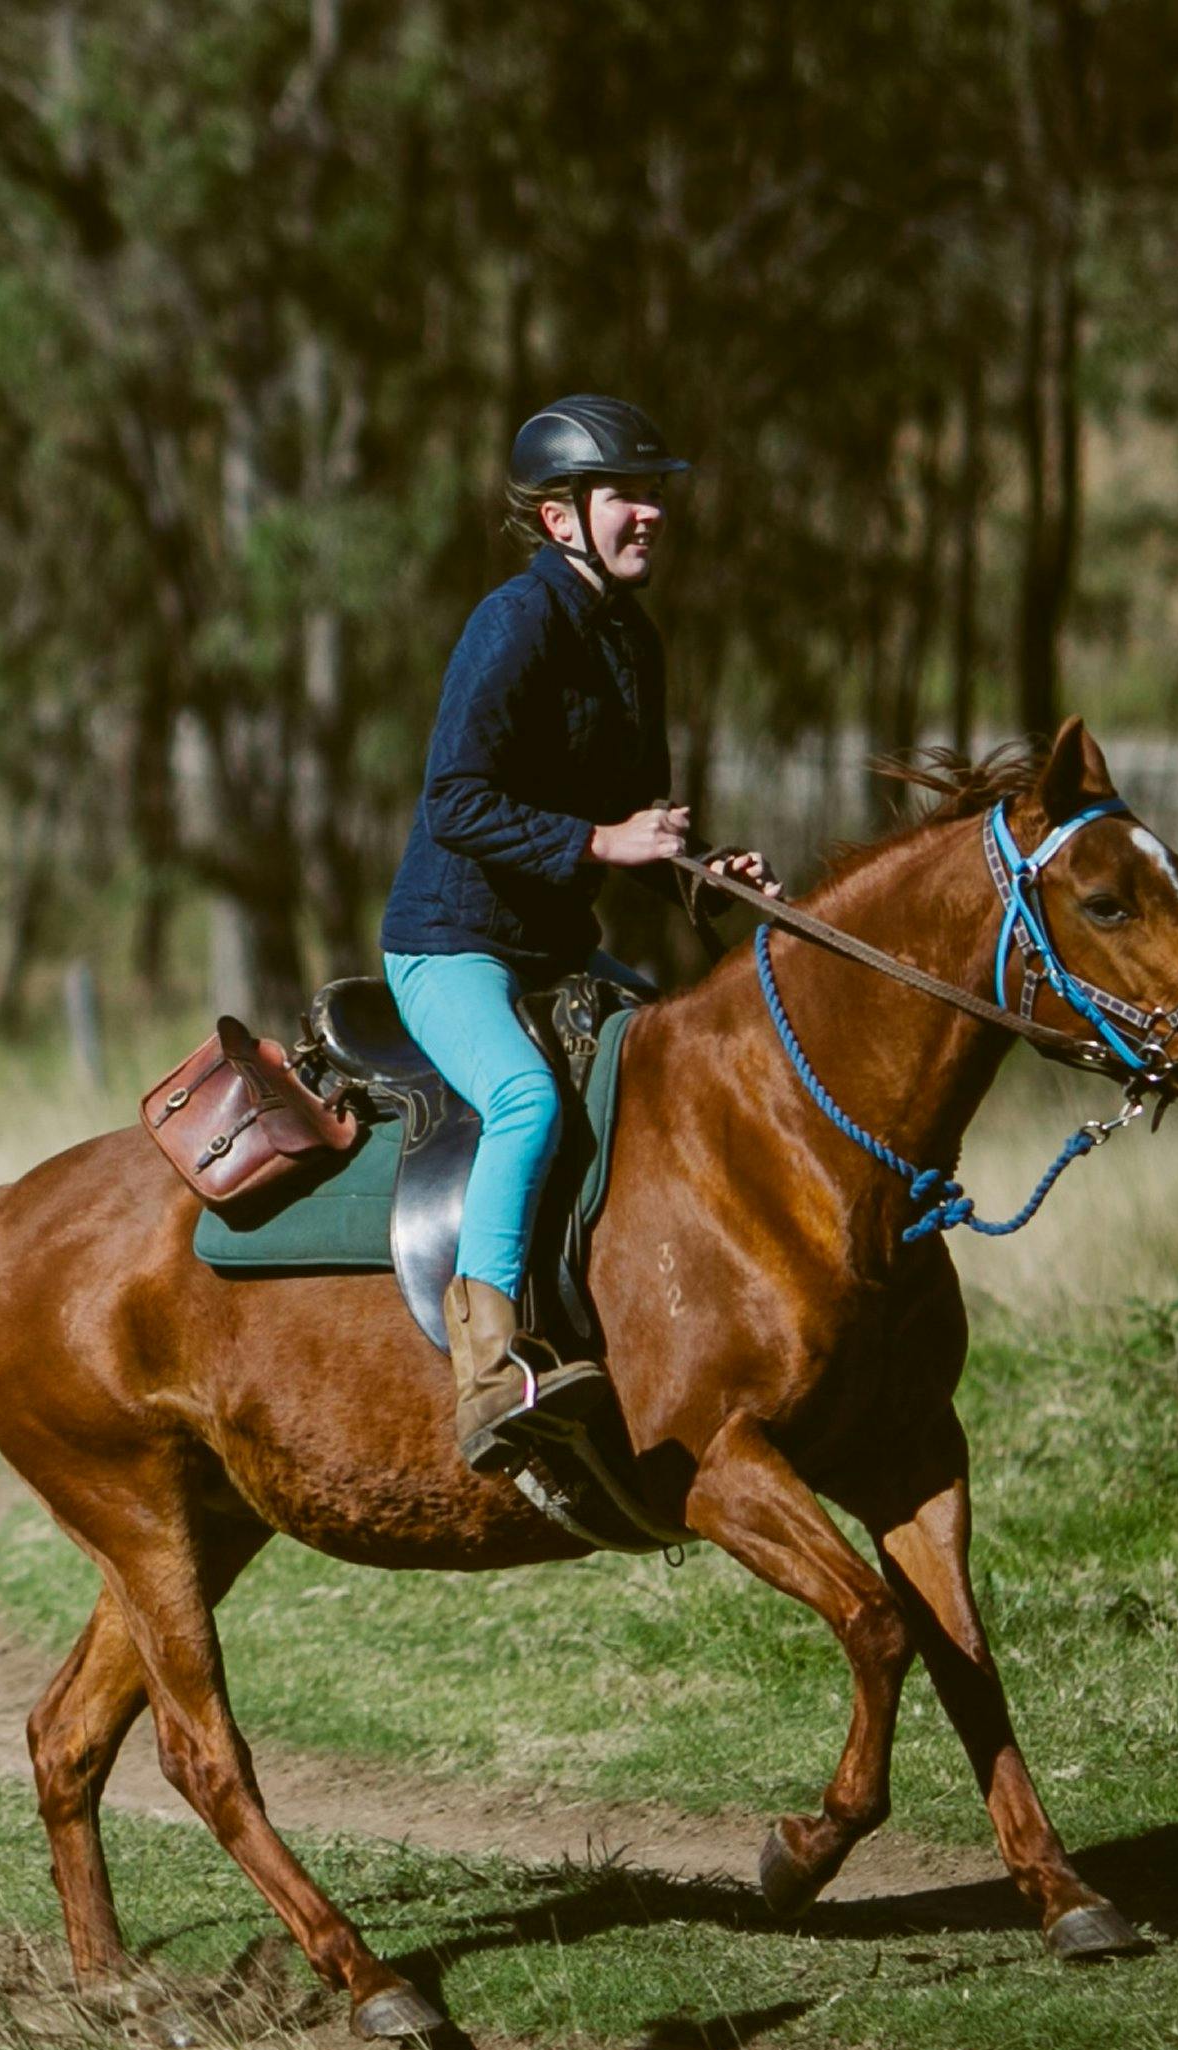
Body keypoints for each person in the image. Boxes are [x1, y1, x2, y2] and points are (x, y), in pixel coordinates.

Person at [380, 395, 770, 1475]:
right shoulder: (513, 622)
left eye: (655, 494)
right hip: (449, 942)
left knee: (680, 1075)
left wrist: (701, 876)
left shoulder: (630, 641)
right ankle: (490, 1365)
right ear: (561, 520)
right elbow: (453, 801)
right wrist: (601, 843)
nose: (649, 513)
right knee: (524, 1100)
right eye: (625, 496)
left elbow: (633, 821)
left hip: (554, 952)